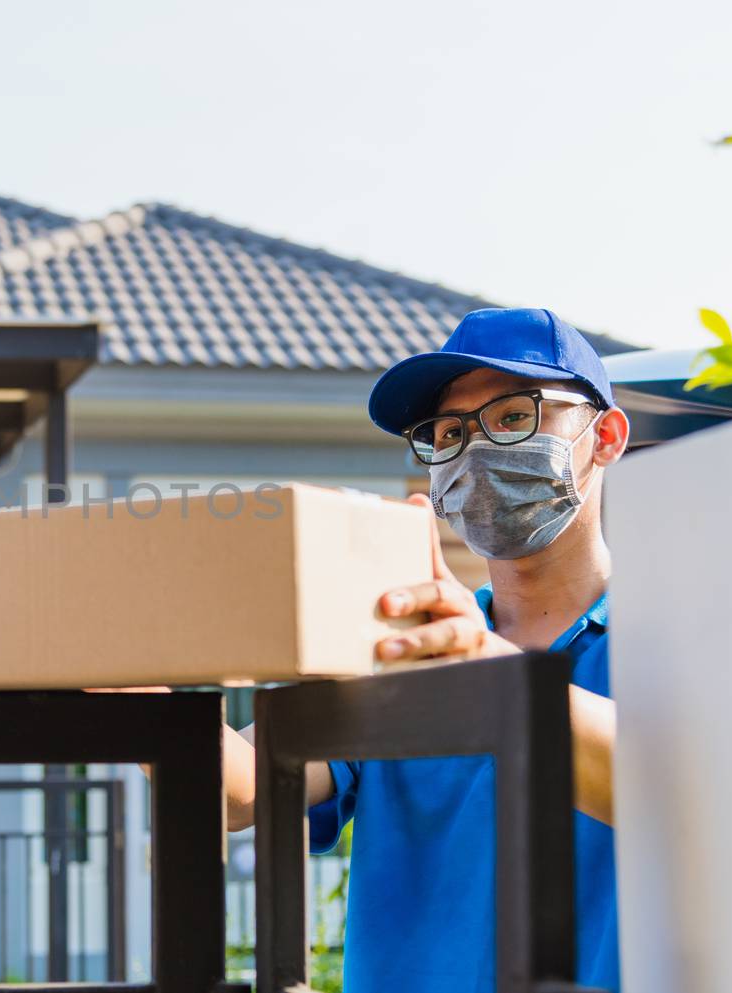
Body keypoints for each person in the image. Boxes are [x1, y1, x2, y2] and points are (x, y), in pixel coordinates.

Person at [220, 307, 626, 991]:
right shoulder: (403, 651)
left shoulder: (672, 641)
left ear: (606, 436)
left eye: (511, 417)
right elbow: (245, 787)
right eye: (447, 432)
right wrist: (143, 702)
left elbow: (680, 792)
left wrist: (489, 672)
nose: (474, 450)